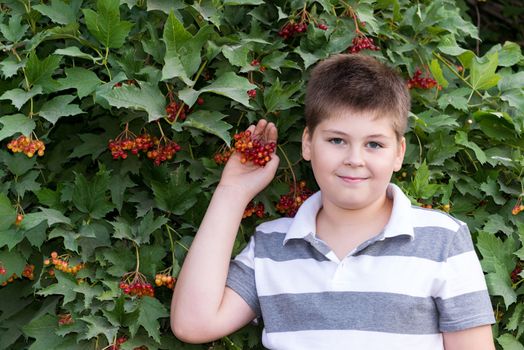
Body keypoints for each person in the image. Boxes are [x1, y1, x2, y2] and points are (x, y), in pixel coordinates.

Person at [170, 54, 496, 350]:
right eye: (337, 140)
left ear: (399, 152)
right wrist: (233, 193)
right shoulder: (272, 245)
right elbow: (193, 323)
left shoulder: (442, 239)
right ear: (308, 144)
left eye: (374, 144)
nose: (354, 159)